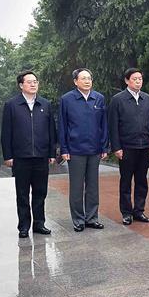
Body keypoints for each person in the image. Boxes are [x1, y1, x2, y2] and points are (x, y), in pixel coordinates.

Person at [1, 71, 56, 238]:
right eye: (29, 82)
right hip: (21, 157)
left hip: (41, 156)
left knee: (40, 192)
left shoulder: (45, 104)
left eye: (35, 82)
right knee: (22, 194)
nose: (33, 84)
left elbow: (51, 131)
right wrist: (8, 155)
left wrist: (52, 153)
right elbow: (6, 132)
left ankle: (39, 223)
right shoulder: (11, 105)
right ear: (21, 85)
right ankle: (23, 226)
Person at [59, 68, 108, 232]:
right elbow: (63, 125)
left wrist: (104, 146)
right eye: (83, 78)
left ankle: (92, 218)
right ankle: (78, 219)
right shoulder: (67, 99)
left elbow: (104, 124)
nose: (87, 81)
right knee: (77, 186)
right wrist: (64, 148)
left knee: (93, 186)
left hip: (95, 149)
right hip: (75, 149)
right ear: (75, 81)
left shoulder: (99, 98)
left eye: (89, 78)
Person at [108, 68, 149, 225]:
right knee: (126, 180)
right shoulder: (118, 99)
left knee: (142, 180)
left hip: (144, 146)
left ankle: (139, 210)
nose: (138, 81)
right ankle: (126, 212)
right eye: (135, 79)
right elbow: (113, 125)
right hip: (127, 147)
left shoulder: (147, 99)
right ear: (127, 80)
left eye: (140, 79)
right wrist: (116, 147)